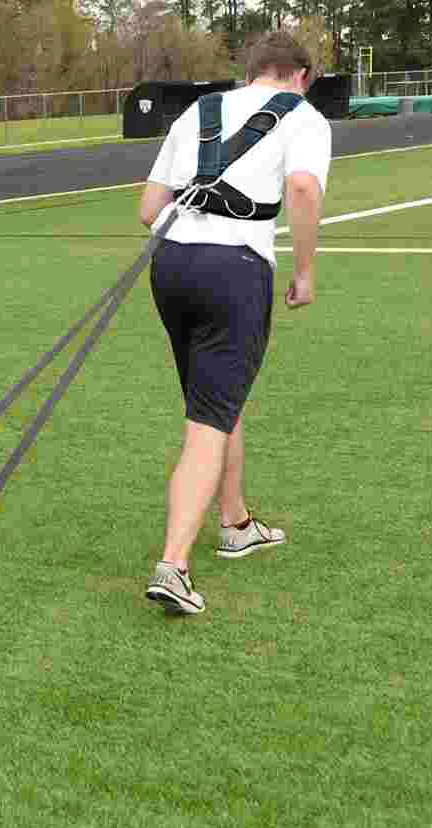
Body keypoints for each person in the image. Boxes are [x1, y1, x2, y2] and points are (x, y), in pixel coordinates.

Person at [139, 32, 332, 615]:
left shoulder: (202, 109)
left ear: (250, 72)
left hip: (170, 263)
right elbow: (301, 187)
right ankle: (173, 566)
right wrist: (303, 270)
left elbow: (149, 209)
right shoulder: (306, 118)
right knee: (208, 420)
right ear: (301, 75)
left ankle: (236, 522)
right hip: (235, 270)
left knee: (220, 401)